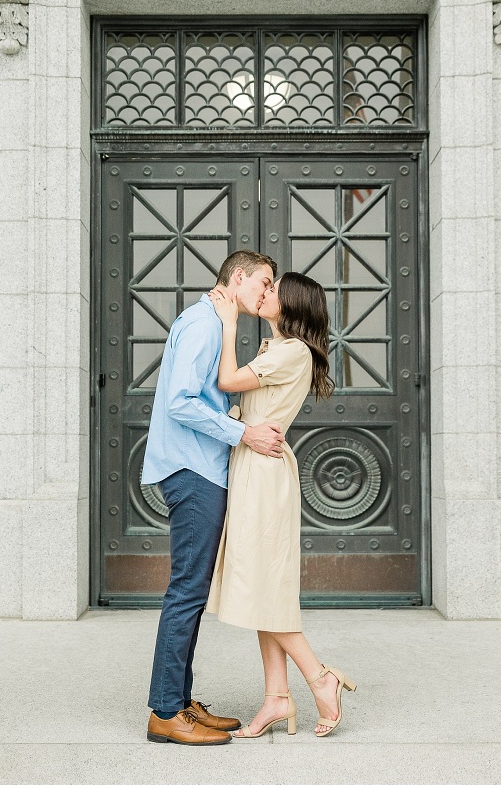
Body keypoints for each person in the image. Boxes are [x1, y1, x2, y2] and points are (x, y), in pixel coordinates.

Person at [142, 250, 286, 746]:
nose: (267, 294)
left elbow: (201, 394)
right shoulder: (205, 324)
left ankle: (179, 703)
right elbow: (181, 402)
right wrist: (242, 431)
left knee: (192, 592)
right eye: (263, 284)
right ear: (238, 277)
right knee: (186, 591)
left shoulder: (209, 319)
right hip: (193, 469)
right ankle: (165, 711)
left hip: (198, 467)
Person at [206, 273, 357, 738]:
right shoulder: (280, 350)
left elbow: (227, 380)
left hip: (263, 472)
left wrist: (229, 323)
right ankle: (276, 697)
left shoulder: (292, 351)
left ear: (290, 303)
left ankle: (319, 677)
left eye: (273, 290)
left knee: (264, 588)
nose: (264, 294)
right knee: (262, 590)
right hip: (255, 463)